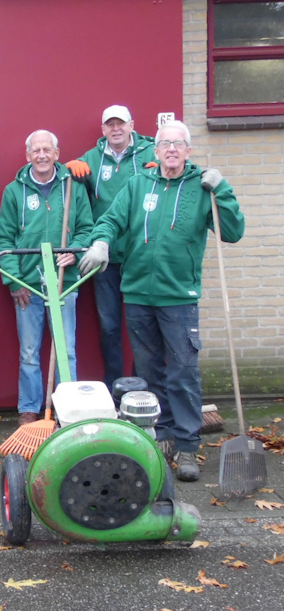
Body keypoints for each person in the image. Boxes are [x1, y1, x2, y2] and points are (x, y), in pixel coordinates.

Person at [80, 120, 244, 481]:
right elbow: (109, 219)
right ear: (155, 151)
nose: (171, 149)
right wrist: (101, 241)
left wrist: (224, 190)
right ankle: (163, 435)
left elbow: (233, 233)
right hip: (137, 294)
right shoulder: (138, 185)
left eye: (178, 144)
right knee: (149, 372)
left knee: (183, 372)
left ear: (188, 150)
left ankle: (187, 447)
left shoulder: (202, 188)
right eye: (165, 144)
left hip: (179, 299)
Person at [0, 130, 93, 428]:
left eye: (47, 150)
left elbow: (87, 228)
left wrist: (74, 253)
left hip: (65, 281)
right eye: (36, 150)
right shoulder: (14, 191)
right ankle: (29, 409)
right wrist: (13, 281)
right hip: (28, 284)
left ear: (56, 152)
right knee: (29, 352)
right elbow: (4, 241)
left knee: (66, 351)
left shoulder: (73, 188)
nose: (41, 155)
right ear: (28, 155)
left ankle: (69, 409)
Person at [65, 105, 156, 390]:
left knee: (140, 324)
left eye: (121, 124)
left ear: (131, 125)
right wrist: (69, 167)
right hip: (104, 256)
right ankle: (115, 384)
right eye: (110, 125)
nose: (115, 129)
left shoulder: (150, 153)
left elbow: (181, 168)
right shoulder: (93, 158)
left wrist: (162, 169)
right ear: (103, 129)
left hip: (139, 255)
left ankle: (140, 385)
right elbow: (65, 178)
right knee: (109, 326)